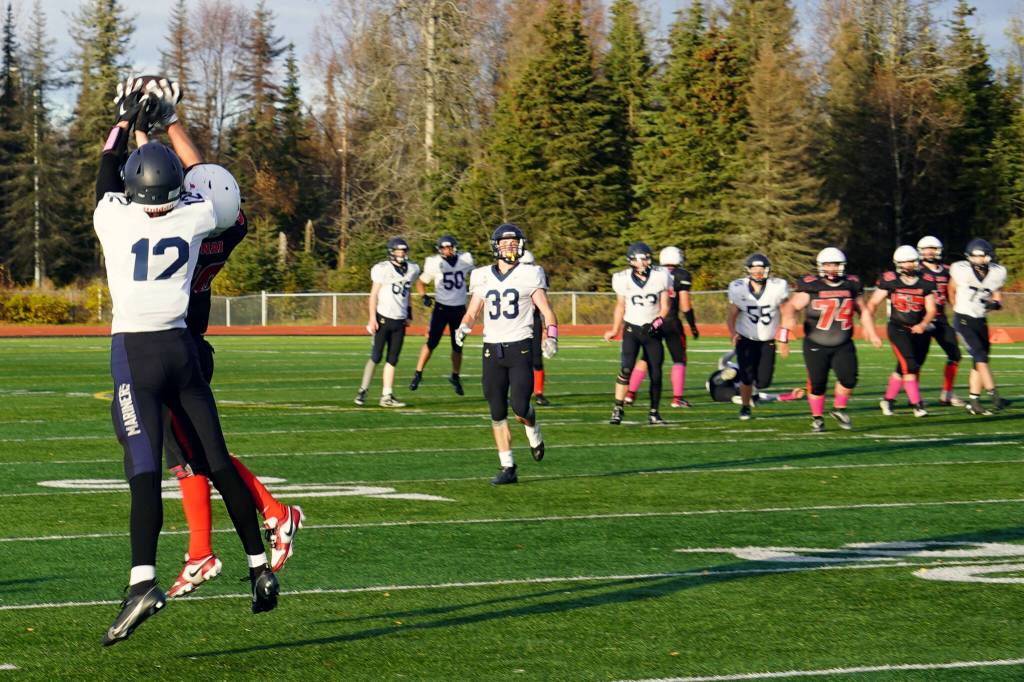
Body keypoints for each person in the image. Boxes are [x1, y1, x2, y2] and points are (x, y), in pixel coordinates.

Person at [96, 78, 277, 646]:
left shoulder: (114, 219)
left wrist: (126, 122)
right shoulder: (200, 221)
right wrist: (172, 122)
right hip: (183, 351)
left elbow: (107, 168)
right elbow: (210, 186)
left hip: (136, 353)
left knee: (145, 472)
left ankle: (142, 581)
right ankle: (258, 565)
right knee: (217, 462)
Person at [454, 224, 558, 485]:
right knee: (497, 410)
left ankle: (533, 430)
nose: (510, 247)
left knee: (520, 407)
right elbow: (473, 310)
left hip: (519, 347)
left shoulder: (530, 274)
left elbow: (546, 311)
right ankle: (507, 466)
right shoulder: (481, 276)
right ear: (496, 246)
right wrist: (464, 326)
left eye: (514, 243)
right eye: (505, 243)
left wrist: (552, 335)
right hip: (492, 349)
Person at [782, 247, 882, 433]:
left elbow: (864, 311)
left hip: (843, 342)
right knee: (818, 383)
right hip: (815, 343)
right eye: (827, 265)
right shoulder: (812, 286)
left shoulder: (851, 285)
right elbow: (790, 307)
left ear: (842, 266)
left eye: (835, 264)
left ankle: (838, 409)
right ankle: (817, 417)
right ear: (821, 266)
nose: (831, 268)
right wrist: (785, 331)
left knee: (849, 380)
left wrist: (872, 332)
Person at [603, 242, 671, 426]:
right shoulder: (622, 278)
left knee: (656, 372)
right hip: (632, 329)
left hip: (652, 330)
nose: (642, 262)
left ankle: (654, 412)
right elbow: (620, 305)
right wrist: (615, 329)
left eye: (645, 258)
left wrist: (656, 322)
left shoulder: (661, 276)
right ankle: (618, 408)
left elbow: (665, 306)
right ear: (631, 261)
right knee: (626, 368)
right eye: (638, 259)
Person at [866, 245, 937, 418]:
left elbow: (932, 309)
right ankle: (917, 405)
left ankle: (888, 399)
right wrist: (871, 328)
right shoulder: (890, 280)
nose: (909, 265)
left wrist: (923, 324)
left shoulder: (925, 280)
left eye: (912, 261)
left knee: (906, 366)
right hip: (898, 328)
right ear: (897, 263)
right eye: (905, 261)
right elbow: (873, 303)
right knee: (910, 366)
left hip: (920, 330)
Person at [623, 246, 699, 408]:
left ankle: (630, 393)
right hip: (671, 322)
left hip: (653, 320)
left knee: (645, 357)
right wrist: (692, 325)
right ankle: (677, 398)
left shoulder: (654, 272)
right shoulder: (682, 275)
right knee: (679, 359)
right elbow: (685, 304)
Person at [356, 238, 420, 407]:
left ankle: (387, 395)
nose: (402, 254)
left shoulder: (412, 269)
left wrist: (409, 314)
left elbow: (408, 294)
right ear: (392, 252)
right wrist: (371, 318)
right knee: (376, 356)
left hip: (399, 320)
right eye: (399, 251)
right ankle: (363, 390)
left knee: (392, 359)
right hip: (383, 318)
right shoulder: (383, 269)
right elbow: (373, 295)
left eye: (404, 251)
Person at [948, 238, 1010, 415]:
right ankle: (994, 395)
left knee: (979, 361)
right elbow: (951, 289)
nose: (978, 260)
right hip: (963, 318)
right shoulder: (961, 270)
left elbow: (997, 295)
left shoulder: (997, 273)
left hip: (980, 319)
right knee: (980, 356)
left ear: (988, 257)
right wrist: (956, 307)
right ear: (969, 257)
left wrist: (996, 304)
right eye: (974, 257)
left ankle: (973, 401)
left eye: (981, 256)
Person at [725, 253, 791, 420]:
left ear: (767, 270)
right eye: (754, 269)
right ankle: (745, 407)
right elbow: (732, 313)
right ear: (748, 270)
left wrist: (783, 338)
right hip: (746, 338)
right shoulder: (738, 287)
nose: (758, 272)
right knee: (747, 376)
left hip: (767, 340)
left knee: (763, 381)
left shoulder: (777, 287)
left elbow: (786, 313)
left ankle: (744, 385)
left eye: (761, 268)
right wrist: (733, 333)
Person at [409, 235, 474, 395]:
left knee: (457, 345)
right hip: (441, 308)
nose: (447, 250)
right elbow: (420, 282)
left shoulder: (465, 261)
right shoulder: (435, 263)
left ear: (454, 247)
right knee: (431, 342)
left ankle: (455, 376)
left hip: (459, 309)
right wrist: (424, 296)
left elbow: (476, 276)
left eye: (449, 247)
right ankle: (418, 373)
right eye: (444, 248)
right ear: (440, 249)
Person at [916, 236, 964, 406]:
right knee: (917, 360)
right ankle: (914, 397)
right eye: (926, 248)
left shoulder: (948, 270)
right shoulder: (915, 269)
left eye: (933, 248)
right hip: (920, 319)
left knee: (955, 355)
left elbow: (954, 290)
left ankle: (947, 393)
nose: (930, 252)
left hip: (941, 320)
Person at [707, 351, 805, 404]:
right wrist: (736, 350)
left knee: (746, 394)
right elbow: (722, 361)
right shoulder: (735, 366)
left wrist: (791, 396)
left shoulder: (753, 380)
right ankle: (724, 380)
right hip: (717, 384)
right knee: (731, 373)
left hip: (722, 394)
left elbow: (766, 396)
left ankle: (741, 399)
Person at [520, 250, 551, 405]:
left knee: (537, 357)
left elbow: (545, 303)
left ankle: (538, 393)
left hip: (535, 319)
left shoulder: (539, 275)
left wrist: (546, 328)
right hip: (517, 320)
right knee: (517, 357)